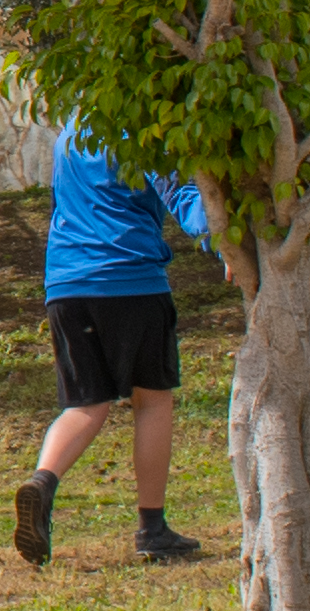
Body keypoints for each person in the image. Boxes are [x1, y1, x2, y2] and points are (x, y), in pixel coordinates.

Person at [17, 125, 205, 568]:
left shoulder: (70, 132)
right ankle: (152, 529)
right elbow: (183, 199)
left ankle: (42, 483)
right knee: (152, 401)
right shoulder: (141, 128)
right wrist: (225, 237)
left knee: (85, 405)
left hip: (65, 284)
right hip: (131, 280)